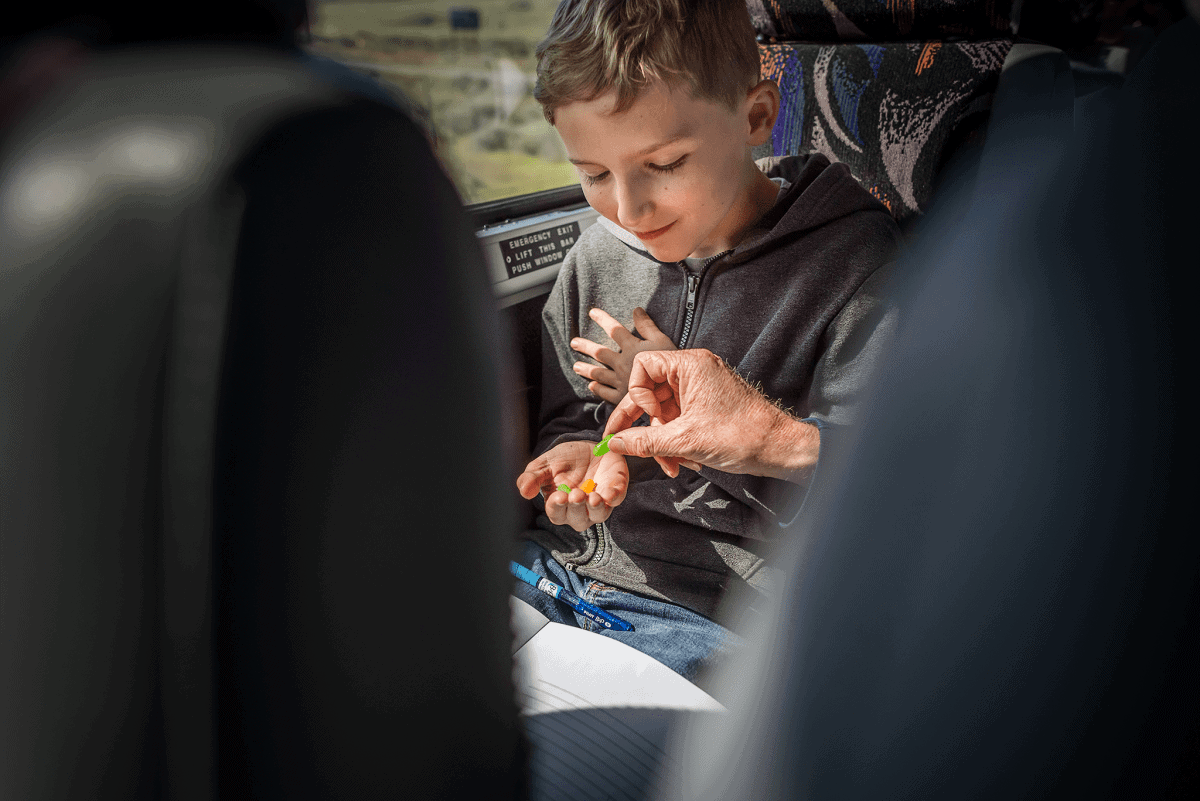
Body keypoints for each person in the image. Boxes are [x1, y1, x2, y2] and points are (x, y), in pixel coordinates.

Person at [513, 0, 901, 680]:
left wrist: (758, 435)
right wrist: (578, 454)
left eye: (663, 162)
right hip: (553, 570)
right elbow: (568, 415)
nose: (629, 211)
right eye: (595, 174)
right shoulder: (597, 255)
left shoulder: (857, 268)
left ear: (755, 117)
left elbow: (885, 495)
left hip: (713, 619)